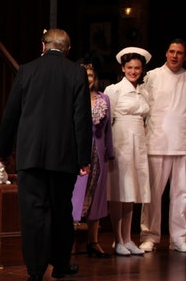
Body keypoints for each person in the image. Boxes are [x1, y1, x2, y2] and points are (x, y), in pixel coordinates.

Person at [0, 28, 92, 281]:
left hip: (30, 156)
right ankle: (60, 264)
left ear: (43, 46)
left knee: (33, 213)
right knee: (62, 211)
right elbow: (82, 119)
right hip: (64, 157)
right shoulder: (76, 72)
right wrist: (84, 158)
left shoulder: (26, 70)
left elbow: (11, 114)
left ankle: (35, 270)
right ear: (67, 49)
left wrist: (4, 151)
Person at [139, 39, 186, 253]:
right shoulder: (152, 77)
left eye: (180, 53)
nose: (175, 56)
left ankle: (178, 237)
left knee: (181, 193)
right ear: (166, 53)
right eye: (171, 51)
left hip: (183, 144)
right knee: (153, 194)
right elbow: (142, 109)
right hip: (156, 142)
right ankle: (150, 236)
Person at [104, 47, 152, 256]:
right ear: (123, 68)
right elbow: (107, 120)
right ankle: (117, 239)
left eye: (137, 68)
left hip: (138, 141)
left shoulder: (144, 91)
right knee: (119, 191)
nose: (133, 71)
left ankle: (128, 237)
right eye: (130, 67)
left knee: (132, 191)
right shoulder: (113, 90)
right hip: (121, 140)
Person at [70, 62, 114, 258]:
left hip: (99, 154)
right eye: (83, 75)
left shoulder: (103, 98)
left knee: (97, 197)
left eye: (90, 75)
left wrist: (109, 152)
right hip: (78, 154)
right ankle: (68, 242)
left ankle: (93, 241)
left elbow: (108, 130)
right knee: (75, 197)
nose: (87, 78)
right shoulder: (71, 98)